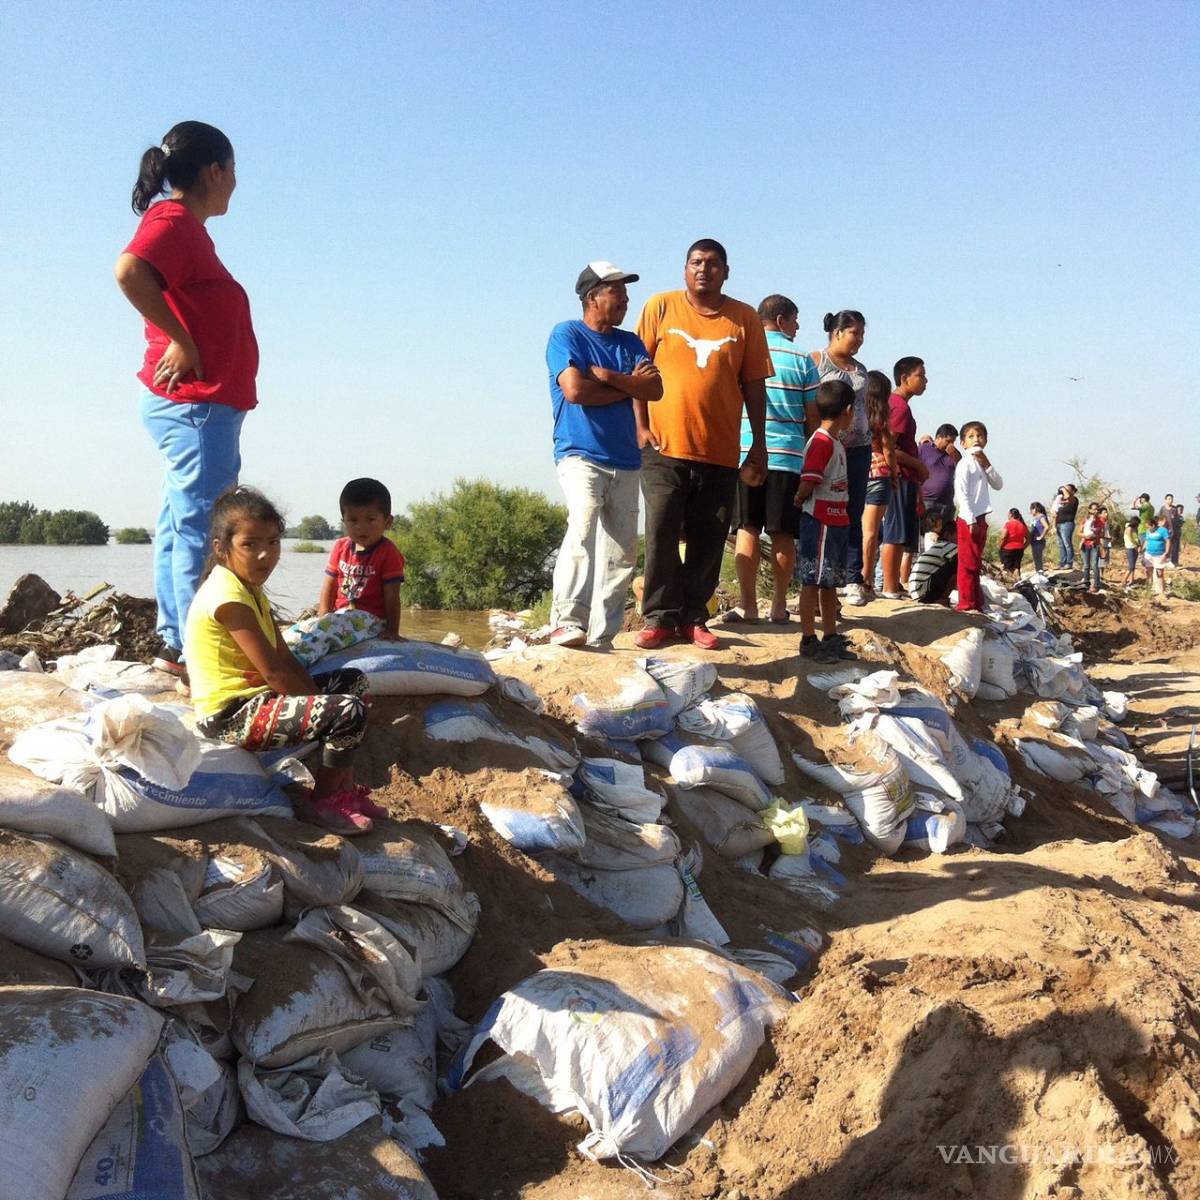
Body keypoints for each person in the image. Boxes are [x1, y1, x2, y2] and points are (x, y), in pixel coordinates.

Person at [115, 122, 258, 683]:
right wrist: (180, 338)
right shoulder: (172, 219)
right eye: (234, 170)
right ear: (214, 170)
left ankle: (176, 642)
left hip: (199, 406)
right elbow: (129, 272)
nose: (236, 183)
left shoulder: (186, 229)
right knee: (203, 525)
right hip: (196, 406)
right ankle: (196, 650)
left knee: (182, 524)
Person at [184, 487, 382, 835]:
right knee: (347, 712)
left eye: (274, 542)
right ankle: (322, 803)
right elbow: (274, 672)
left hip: (257, 700)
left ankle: (344, 790)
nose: (265, 555)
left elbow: (284, 657)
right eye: (250, 544)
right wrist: (326, 710)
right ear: (221, 548)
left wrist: (321, 702)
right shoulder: (227, 596)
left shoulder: (249, 588)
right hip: (229, 715)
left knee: (354, 683)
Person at [633, 239, 772, 650]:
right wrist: (640, 426)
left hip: (721, 448)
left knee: (708, 538)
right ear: (684, 269)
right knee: (659, 531)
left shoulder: (744, 317)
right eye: (695, 262)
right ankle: (659, 617)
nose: (703, 269)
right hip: (663, 446)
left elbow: (753, 385)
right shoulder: (661, 307)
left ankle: (695, 617)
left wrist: (759, 444)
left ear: (726, 272)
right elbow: (637, 371)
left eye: (712, 264)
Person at [545, 262, 661, 647]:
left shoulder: (630, 343)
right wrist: (631, 387)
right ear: (592, 297)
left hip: (626, 458)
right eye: (617, 291)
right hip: (580, 453)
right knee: (582, 526)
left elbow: (655, 389)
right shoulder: (567, 335)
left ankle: (603, 636)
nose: (626, 299)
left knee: (622, 552)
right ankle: (567, 620)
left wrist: (609, 377)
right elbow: (576, 391)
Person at [727, 294, 819, 624]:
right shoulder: (802, 359)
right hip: (789, 457)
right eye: (794, 320)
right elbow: (812, 417)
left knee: (747, 528)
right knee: (782, 534)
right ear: (781, 320)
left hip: (747, 452)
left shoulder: (741, 349)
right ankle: (779, 606)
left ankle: (748, 606)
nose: (797, 327)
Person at [811, 311, 872, 606]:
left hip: (859, 448)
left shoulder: (861, 369)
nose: (859, 339)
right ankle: (821, 579)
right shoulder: (816, 361)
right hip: (827, 447)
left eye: (862, 334)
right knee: (824, 510)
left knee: (853, 510)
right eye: (854, 333)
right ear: (837, 332)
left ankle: (852, 577)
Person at [793, 381, 857, 661]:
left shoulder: (835, 442)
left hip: (836, 522)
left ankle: (830, 636)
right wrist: (799, 499)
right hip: (820, 521)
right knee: (812, 580)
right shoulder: (821, 442)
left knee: (829, 582)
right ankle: (808, 639)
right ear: (848, 410)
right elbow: (809, 480)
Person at [319, 478, 407, 638]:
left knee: (327, 634)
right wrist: (323, 616)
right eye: (353, 520)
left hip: (371, 620)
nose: (360, 527)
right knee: (308, 630)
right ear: (343, 522)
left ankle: (297, 661)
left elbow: (392, 595)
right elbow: (329, 586)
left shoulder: (388, 552)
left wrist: (392, 631)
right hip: (341, 617)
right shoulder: (340, 547)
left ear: (387, 522)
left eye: (370, 519)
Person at [879, 357, 930, 598]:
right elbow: (891, 447)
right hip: (899, 476)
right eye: (920, 375)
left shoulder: (899, 405)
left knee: (901, 533)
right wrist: (918, 464)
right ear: (904, 378)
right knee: (895, 531)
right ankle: (889, 586)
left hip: (907, 478)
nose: (925, 381)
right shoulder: (899, 406)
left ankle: (894, 583)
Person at [953, 421, 1003, 612]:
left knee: (975, 562)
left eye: (980, 436)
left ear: (986, 440)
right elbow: (962, 493)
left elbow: (998, 484)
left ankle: (976, 602)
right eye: (971, 436)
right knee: (967, 563)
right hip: (969, 519)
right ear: (963, 443)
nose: (976, 439)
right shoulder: (964, 464)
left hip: (980, 518)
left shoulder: (982, 464)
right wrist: (970, 519)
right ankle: (966, 603)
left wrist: (988, 464)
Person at [860, 370, 898, 602]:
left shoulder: (857, 415)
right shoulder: (881, 421)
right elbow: (888, 450)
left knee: (858, 529)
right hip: (879, 474)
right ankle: (867, 580)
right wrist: (894, 474)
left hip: (857, 474)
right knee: (872, 533)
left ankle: (855, 578)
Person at [907, 515, 958, 605]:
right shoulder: (950, 546)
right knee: (958, 563)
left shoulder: (939, 546)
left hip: (916, 590)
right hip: (923, 591)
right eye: (958, 535)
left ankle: (940, 598)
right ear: (948, 534)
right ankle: (942, 598)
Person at [917, 424, 960, 529]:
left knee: (945, 536)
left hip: (947, 503)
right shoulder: (924, 449)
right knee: (927, 535)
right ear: (939, 437)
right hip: (928, 501)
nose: (950, 445)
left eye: (953, 442)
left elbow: (962, 467)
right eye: (948, 441)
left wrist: (955, 455)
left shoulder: (952, 454)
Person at [1079, 503, 1105, 593]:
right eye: (1094, 509)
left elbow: (1102, 534)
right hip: (1085, 544)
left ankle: (1096, 584)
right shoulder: (1085, 520)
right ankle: (1086, 583)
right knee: (1086, 565)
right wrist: (1085, 536)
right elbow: (1079, 532)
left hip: (1095, 544)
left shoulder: (1100, 521)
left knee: (1094, 565)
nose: (1096, 511)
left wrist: (1094, 537)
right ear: (1090, 510)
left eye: (1097, 509)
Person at [1142, 516, 1170, 597]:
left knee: (1159, 573)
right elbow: (1146, 541)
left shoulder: (1163, 530)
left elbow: (1168, 541)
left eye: (1149, 527)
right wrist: (1142, 550)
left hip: (1159, 555)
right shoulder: (1148, 531)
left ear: (1153, 525)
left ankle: (1161, 592)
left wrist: (1166, 552)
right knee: (1148, 572)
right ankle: (1149, 589)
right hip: (1149, 554)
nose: (1148, 529)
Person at [1054, 484, 1078, 569]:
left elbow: (1068, 497)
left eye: (1067, 490)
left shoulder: (1073, 499)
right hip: (1059, 523)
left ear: (1072, 491)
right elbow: (1055, 513)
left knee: (1067, 543)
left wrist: (1063, 488)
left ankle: (1069, 562)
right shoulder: (1061, 502)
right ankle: (1062, 563)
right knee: (1061, 544)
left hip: (1067, 523)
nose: (1064, 492)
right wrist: (1054, 525)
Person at [999, 509, 1028, 578]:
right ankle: (1018, 581)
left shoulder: (1008, 524)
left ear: (1011, 515)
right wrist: (1023, 547)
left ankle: (1010, 583)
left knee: (1007, 569)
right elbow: (1028, 539)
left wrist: (1000, 547)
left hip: (1008, 549)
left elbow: (1003, 537)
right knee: (1016, 568)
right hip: (1019, 549)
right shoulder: (1022, 525)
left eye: (1008, 514)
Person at [1028, 501, 1050, 573]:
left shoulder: (1041, 517)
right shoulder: (1035, 518)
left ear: (1035, 509)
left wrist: (1041, 536)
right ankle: (1039, 573)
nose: (1030, 511)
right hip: (1034, 542)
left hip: (1039, 542)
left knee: (1038, 559)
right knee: (1036, 559)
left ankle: (1040, 573)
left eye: (1031, 509)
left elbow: (1046, 527)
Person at [1120, 511, 1140, 589]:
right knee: (1131, 566)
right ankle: (1124, 580)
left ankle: (1132, 580)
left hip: (1135, 547)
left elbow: (1136, 538)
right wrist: (1136, 544)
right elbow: (1130, 538)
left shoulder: (1135, 529)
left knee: (1133, 565)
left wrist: (1139, 545)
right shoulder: (1129, 528)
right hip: (1130, 548)